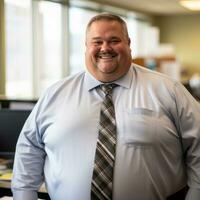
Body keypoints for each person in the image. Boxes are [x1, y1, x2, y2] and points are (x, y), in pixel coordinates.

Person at [11, 13, 200, 200]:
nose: (105, 48)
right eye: (97, 42)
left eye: (114, 40)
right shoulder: (55, 94)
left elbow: (198, 145)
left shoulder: (168, 90)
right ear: (86, 47)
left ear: (129, 43)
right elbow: (29, 150)